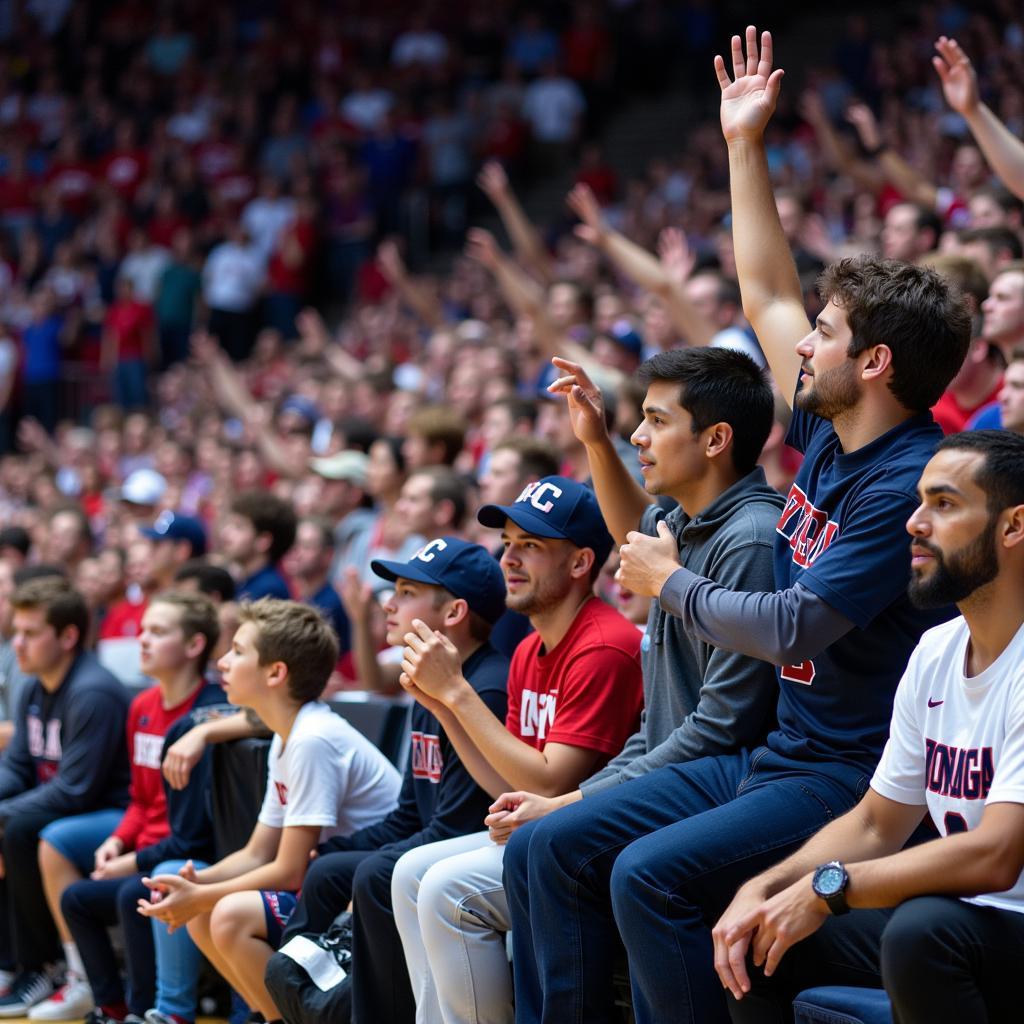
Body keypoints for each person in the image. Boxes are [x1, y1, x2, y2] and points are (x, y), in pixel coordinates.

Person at [501, 27, 971, 1024]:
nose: (803, 344)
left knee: (645, 875)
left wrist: (671, 581)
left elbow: (797, 625)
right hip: (778, 751)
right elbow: (761, 289)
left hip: (848, 771)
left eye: (828, 334)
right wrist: (741, 145)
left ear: (875, 362)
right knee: (549, 844)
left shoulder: (903, 480)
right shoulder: (832, 427)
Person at [496, 346, 784, 997]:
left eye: (655, 421)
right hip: (687, 764)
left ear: (715, 439)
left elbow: (722, 727)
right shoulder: (684, 521)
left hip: (738, 772)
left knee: (550, 844)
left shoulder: (750, 538)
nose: (638, 436)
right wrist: (594, 439)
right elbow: (633, 531)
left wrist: (570, 800)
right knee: (532, 846)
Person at [714, 430, 1024, 1023]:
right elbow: (877, 822)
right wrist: (770, 885)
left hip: (998, 925)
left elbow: (997, 855)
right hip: (974, 922)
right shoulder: (936, 650)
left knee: (923, 931)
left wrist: (830, 888)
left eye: (945, 503)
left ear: (1012, 527)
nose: (914, 523)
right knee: (758, 935)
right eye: (918, 502)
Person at [391, 476, 644, 1024]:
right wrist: (442, 707)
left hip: (594, 845)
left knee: (444, 888)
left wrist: (457, 691)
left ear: (580, 564)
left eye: (531, 545)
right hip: (544, 833)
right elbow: (510, 785)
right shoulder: (530, 646)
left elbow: (551, 782)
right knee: (409, 872)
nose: (510, 558)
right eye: (507, 543)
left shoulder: (604, 645)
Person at [268, 537, 510, 1024]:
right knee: (326, 868)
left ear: (454, 612)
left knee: (374, 875)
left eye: (405, 591)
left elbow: (457, 825)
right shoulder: (428, 681)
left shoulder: (483, 687)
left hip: (472, 848)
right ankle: (300, 1006)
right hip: (434, 840)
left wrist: (371, 856)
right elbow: (409, 813)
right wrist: (337, 849)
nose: (388, 603)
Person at [138, 599, 402, 1021]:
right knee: (203, 915)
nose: (223, 662)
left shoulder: (312, 740)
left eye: (239, 652)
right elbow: (258, 852)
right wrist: (193, 885)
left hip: (361, 896)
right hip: (329, 883)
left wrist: (202, 895)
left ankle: (293, 1015)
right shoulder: (287, 736)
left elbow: (290, 870)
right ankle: (271, 1016)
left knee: (226, 915)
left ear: (276, 673)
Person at [31, 593, 222, 1024]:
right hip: (149, 846)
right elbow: (139, 799)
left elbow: (194, 832)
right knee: (78, 899)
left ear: (194, 646)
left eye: (158, 632)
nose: (143, 640)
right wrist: (118, 841)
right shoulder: (141, 706)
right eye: (143, 630)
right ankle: (110, 1007)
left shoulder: (210, 712)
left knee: (130, 892)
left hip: (186, 855)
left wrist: (131, 862)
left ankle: (145, 1010)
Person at [0, 579, 130, 1016]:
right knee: (11, 825)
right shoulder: (34, 687)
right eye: (17, 631)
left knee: (18, 829)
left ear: (68, 636)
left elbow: (77, 790)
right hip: (67, 804)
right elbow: (18, 766)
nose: (18, 643)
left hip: (110, 814)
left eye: (30, 633)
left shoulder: (92, 691)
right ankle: (15, 963)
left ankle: (47, 967)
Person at [219, 492, 296, 601]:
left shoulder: (270, 590)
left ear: (263, 541)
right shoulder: (243, 581)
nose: (225, 533)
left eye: (238, 527)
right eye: (228, 524)